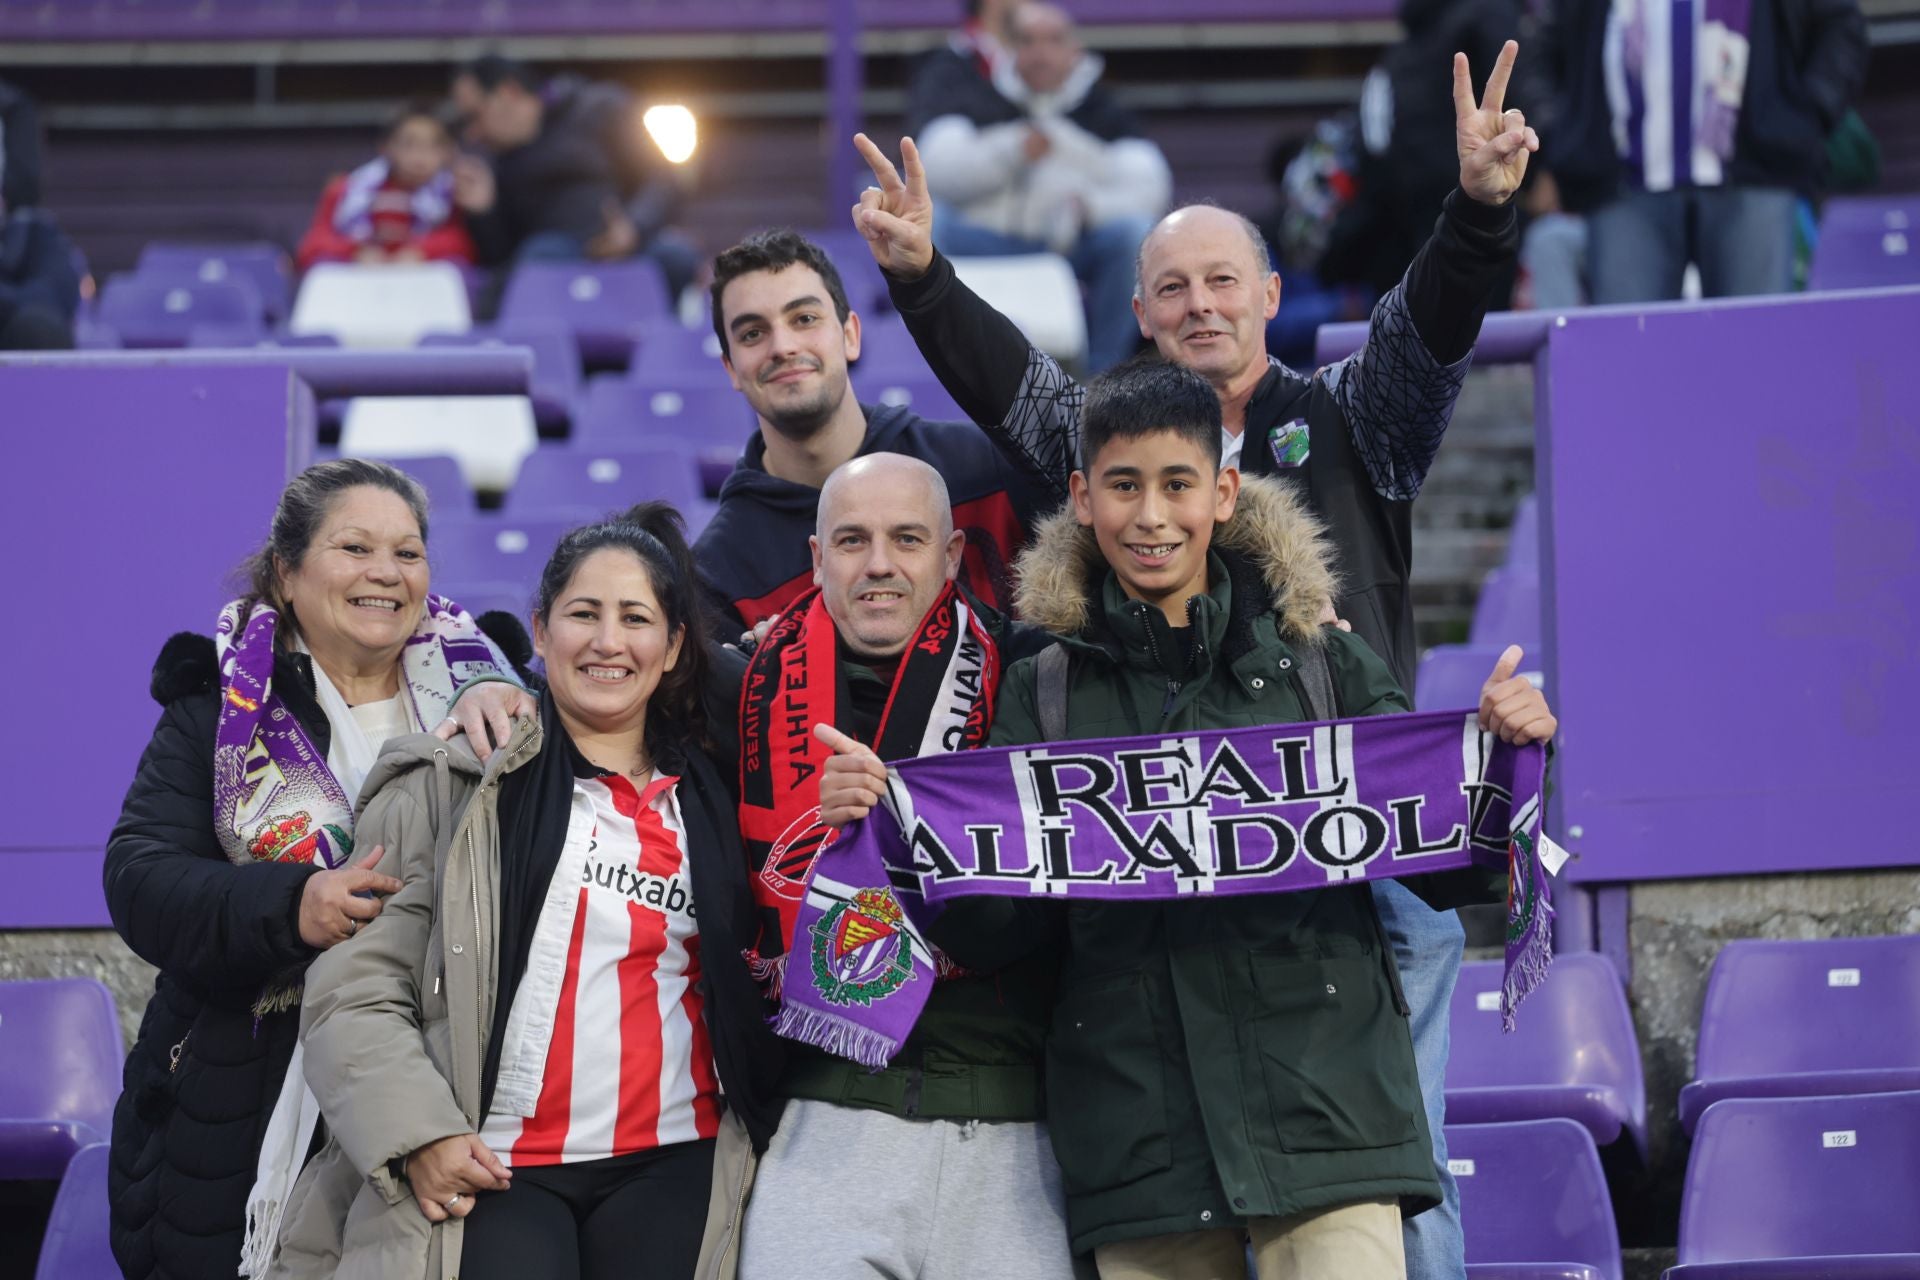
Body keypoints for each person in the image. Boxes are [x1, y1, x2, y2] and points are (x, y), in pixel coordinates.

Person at [849, 43, 1535, 1280]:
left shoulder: (1350, 413)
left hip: (1355, 865)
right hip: (1156, 889)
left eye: (1225, 279)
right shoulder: (1111, 440)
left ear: (1270, 293)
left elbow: (1431, 325)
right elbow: (1011, 391)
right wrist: (922, 278)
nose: (1201, 303)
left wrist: (1479, 212)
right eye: (1174, 287)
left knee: (1399, 1190)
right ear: (1142, 311)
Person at [435, 456, 1069, 1279]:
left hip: (1005, 1115)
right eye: (852, 540)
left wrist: (908, 835)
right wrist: (491, 679)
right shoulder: (746, 686)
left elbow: (1045, 916)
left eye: (906, 539)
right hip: (817, 1108)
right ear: (814, 558)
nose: (878, 563)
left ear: (951, 556)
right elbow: (604, 669)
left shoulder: (1035, 677)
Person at [270, 504, 782, 1280]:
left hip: (678, 1156)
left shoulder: (715, 794)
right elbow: (355, 992)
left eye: (635, 618)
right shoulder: (447, 783)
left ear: (673, 647)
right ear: (540, 632)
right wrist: (419, 1136)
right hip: (494, 1162)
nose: (608, 642)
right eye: (584, 614)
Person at [103, 459, 524, 1280]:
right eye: (354, 548)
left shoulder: (492, 695)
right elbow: (141, 877)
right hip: (242, 1090)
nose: (384, 574)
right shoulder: (218, 705)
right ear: (287, 573)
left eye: (408, 554)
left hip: (449, 1083)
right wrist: (292, 902)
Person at [693, 229, 1050, 631]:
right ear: (730, 369)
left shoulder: (983, 466)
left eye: (805, 319)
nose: (783, 346)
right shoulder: (719, 570)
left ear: (850, 336)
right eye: (753, 333)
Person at [1522, 0, 1867, 302]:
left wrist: (1802, 118)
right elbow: (1542, 42)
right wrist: (1562, 138)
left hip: (1755, 175)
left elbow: (1841, 25)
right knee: (1630, 357)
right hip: (1623, 184)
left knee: (1754, 351)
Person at [917, 0, 1171, 372]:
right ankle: (936, 367)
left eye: (1053, 40)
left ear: (1074, 50)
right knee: (930, 227)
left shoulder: (1102, 110)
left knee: (1133, 234)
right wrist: (1012, 151)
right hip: (989, 241)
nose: (1040, 53)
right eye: (1027, 41)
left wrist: (1088, 209)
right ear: (1010, 49)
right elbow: (935, 169)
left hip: (1068, 250)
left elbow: (1151, 185)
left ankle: (1104, 379)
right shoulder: (975, 94)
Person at [452, 55, 698, 303]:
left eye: (474, 116)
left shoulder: (598, 108)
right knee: (535, 261)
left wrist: (633, 227)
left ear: (508, 92)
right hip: (549, 258)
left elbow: (662, 180)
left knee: (676, 257)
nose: (471, 133)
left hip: (626, 245)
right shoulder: (487, 160)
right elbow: (500, 258)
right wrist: (484, 215)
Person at [296, 102, 477, 272]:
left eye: (433, 146)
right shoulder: (344, 189)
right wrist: (354, 252)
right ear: (386, 147)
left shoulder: (455, 193)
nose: (421, 156)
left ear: (447, 152)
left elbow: (465, 244)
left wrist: (422, 252)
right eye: (409, 144)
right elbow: (311, 247)